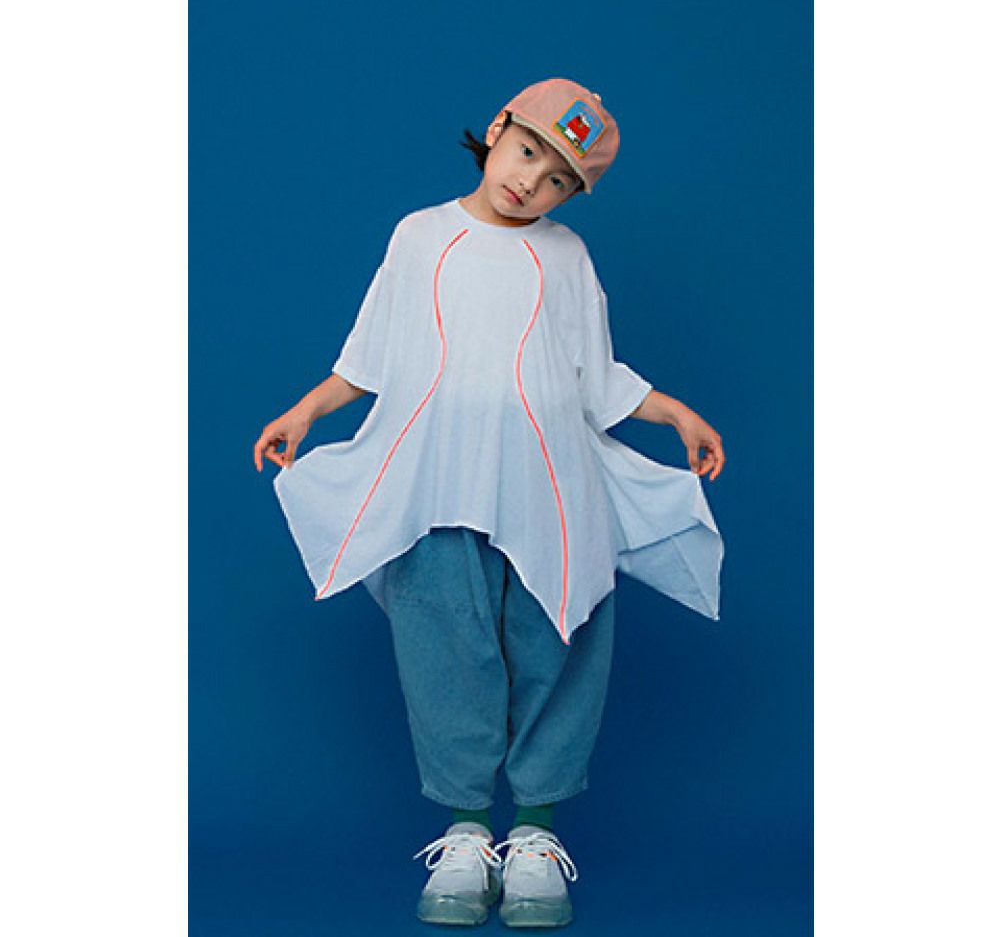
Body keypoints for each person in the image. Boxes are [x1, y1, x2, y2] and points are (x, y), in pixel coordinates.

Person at [253, 77, 726, 928]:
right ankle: (468, 834)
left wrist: (675, 413)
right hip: (437, 491)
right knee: (444, 654)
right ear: (500, 128)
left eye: (557, 180)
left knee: (558, 646)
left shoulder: (566, 257)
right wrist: (306, 411)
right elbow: (371, 353)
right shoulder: (421, 236)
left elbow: (596, 376)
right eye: (527, 151)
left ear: (571, 196)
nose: (530, 181)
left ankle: (536, 836)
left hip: (550, 492)